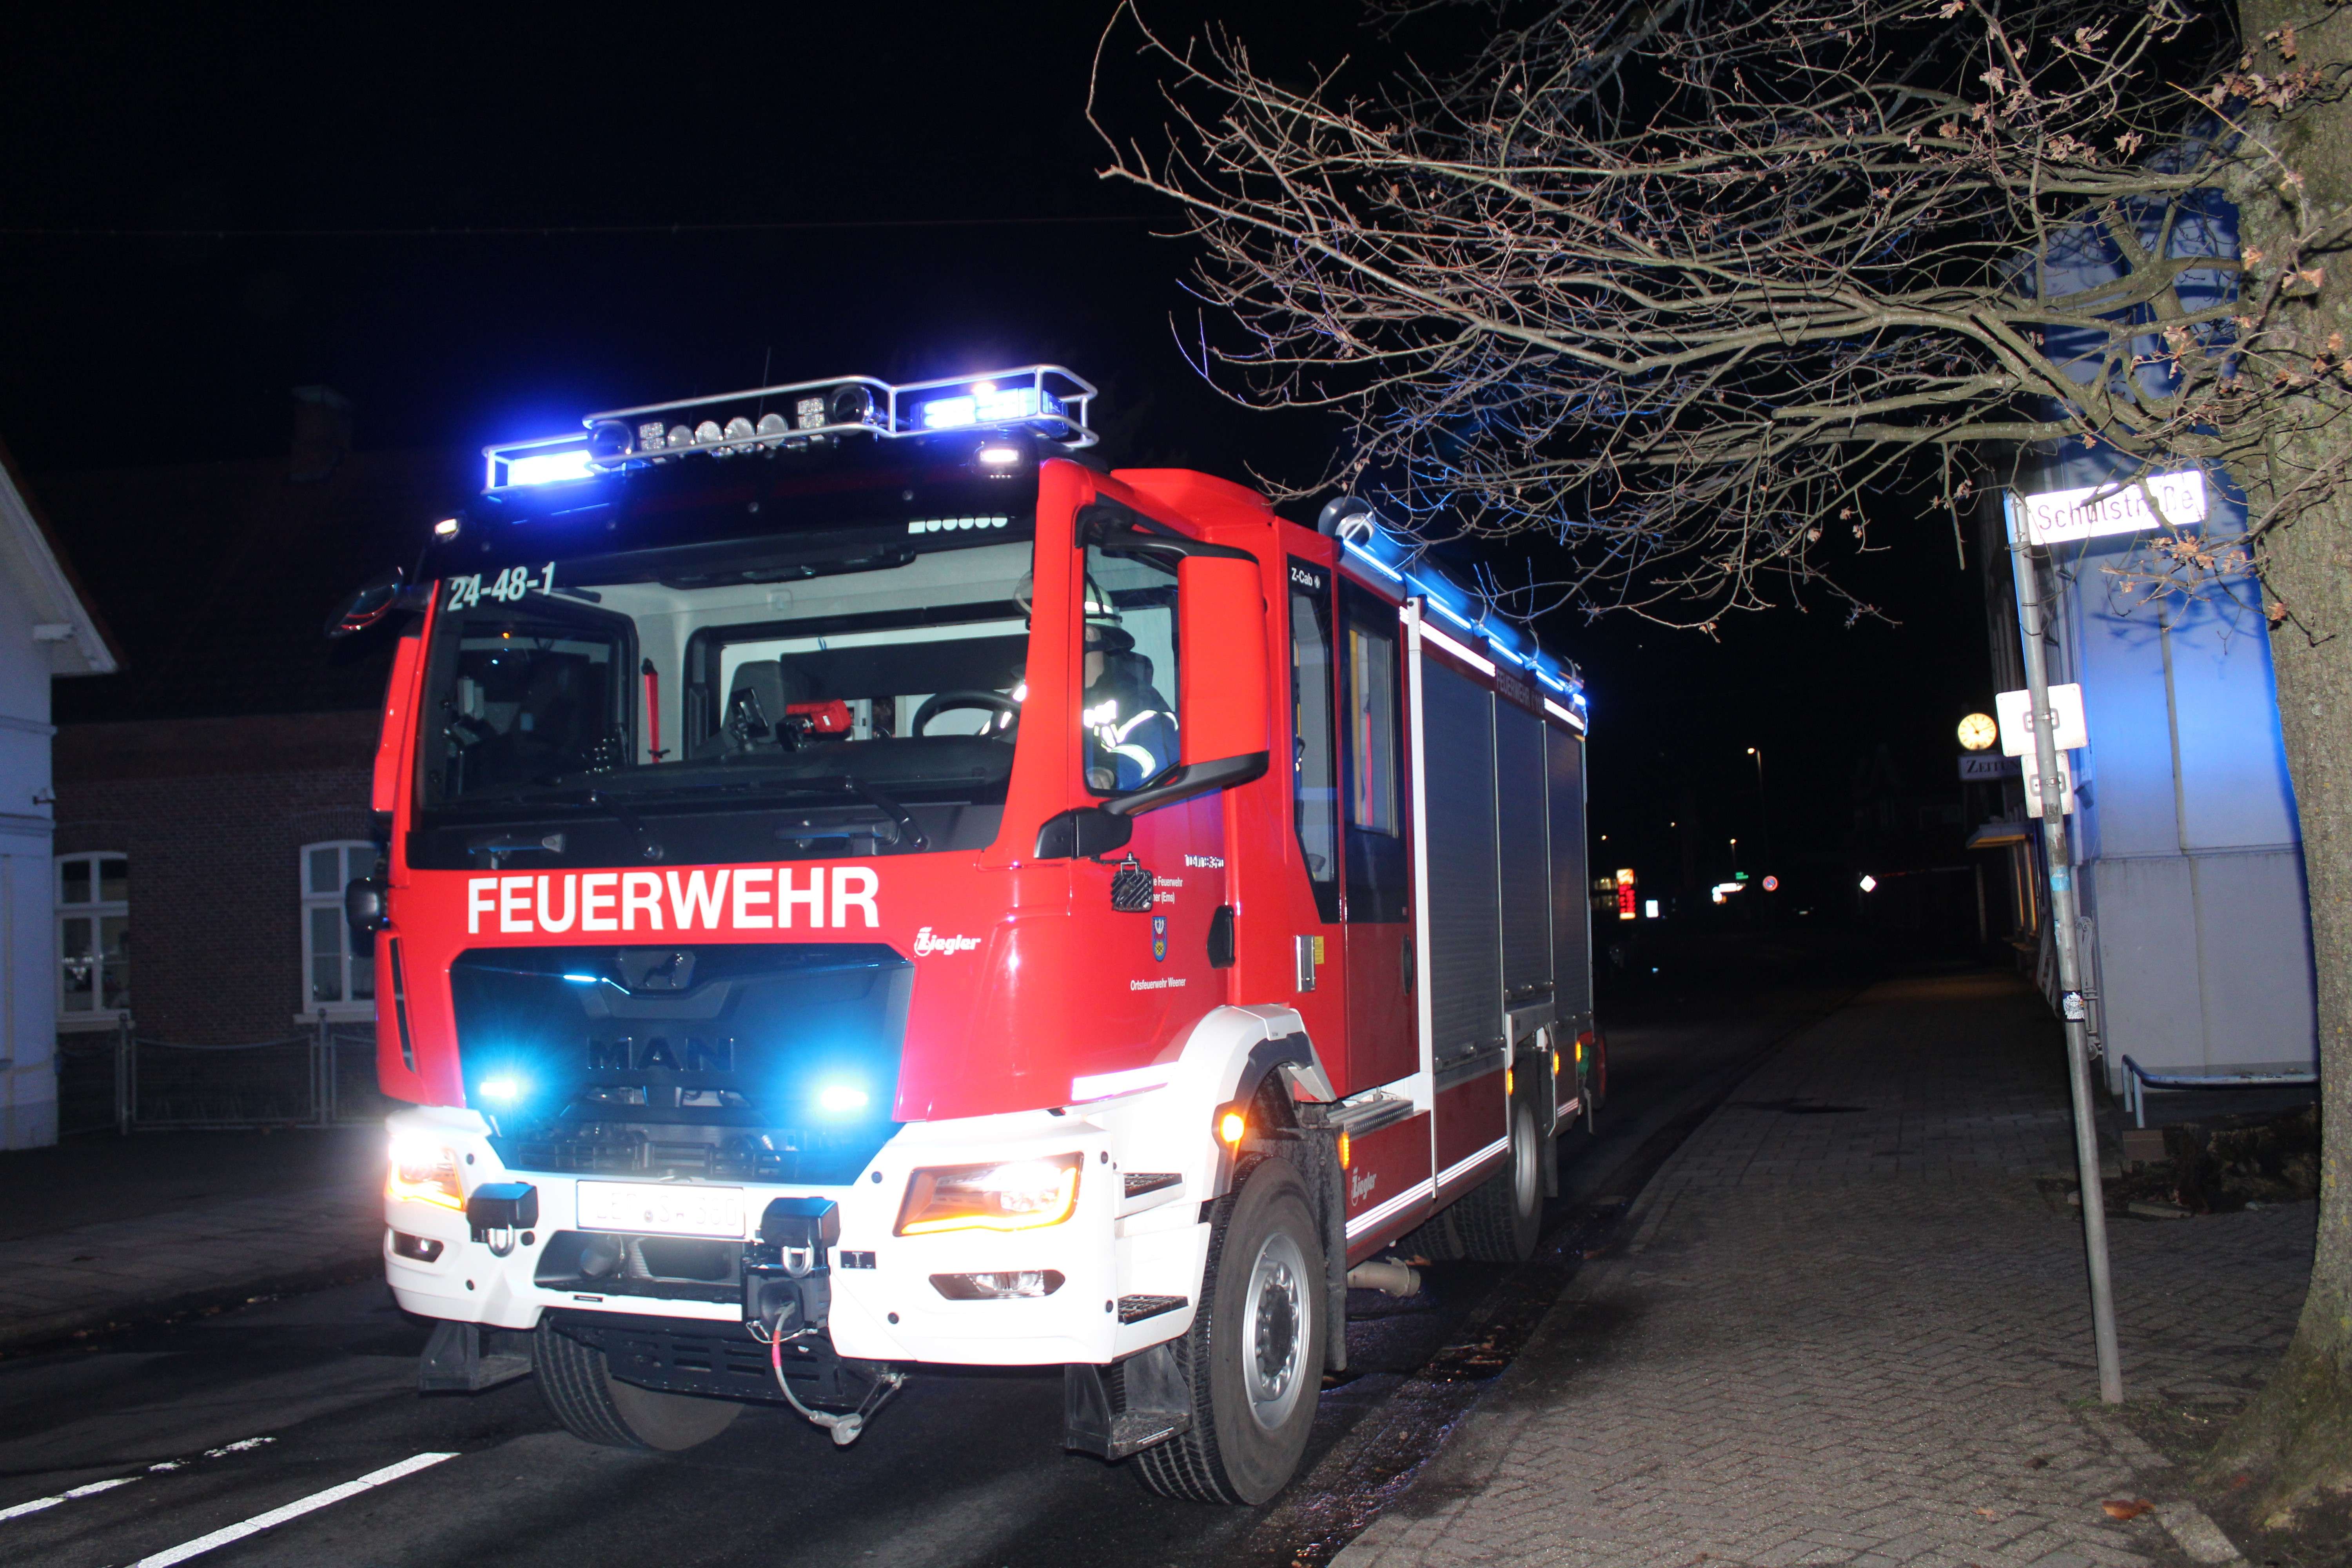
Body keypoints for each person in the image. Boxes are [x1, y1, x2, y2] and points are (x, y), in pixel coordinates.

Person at [1079, 585, 1177, 792]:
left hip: (1102, 815)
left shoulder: (1134, 697)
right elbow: (999, 747)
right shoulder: (1034, 692)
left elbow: (1153, 747)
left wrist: (1107, 773)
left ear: (1087, 634)